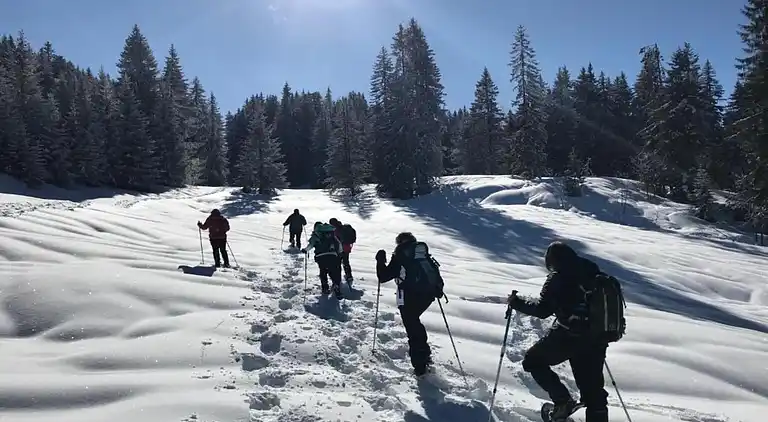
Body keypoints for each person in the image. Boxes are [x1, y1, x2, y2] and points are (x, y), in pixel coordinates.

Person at [506, 241, 609, 422]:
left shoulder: (558, 277)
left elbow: (542, 310)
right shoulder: (594, 272)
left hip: (568, 336)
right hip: (596, 338)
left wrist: (516, 303)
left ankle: (562, 402)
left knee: (533, 361)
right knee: (593, 394)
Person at [375, 232, 439, 376]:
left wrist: (380, 261)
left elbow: (383, 277)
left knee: (412, 327)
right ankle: (425, 353)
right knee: (415, 322)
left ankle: (420, 367)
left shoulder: (401, 255)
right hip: (427, 295)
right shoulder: (422, 254)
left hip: (409, 296)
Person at [302, 222, 344, 299]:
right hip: (333, 256)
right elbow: (339, 245)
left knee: (323, 271)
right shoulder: (332, 235)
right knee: (332, 271)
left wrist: (305, 250)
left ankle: (325, 288)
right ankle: (336, 285)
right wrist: (339, 253)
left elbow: (310, 245)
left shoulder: (315, 236)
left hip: (321, 257)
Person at [329, 218, 355, 283]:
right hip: (347, 248)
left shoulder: (335, 229)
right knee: (346, 262)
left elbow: (335, 240)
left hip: (339, 249)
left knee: (337, 263)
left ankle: (338, 277)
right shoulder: (344, 228)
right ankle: (349, 276)